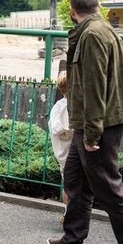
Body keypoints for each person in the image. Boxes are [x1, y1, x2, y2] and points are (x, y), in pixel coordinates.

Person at [46, 0, 123, 244]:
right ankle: (72, 240)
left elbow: (93, 87)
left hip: (99, 122)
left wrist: (92, 134)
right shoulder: (101, 29)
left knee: (108, 187)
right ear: (97, 7)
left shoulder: (92, 36)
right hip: (94, 120)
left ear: (72, 10)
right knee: (76, 181)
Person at [49, 72, 73, 221]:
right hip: (74, 149)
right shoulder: (77, 107)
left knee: (67, 182)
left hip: (61, 152)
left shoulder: (58, 106)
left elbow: (55, 128)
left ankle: (67, 211)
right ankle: (71, 212)